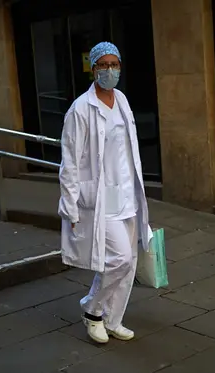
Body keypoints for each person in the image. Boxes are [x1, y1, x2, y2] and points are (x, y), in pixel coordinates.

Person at [58, 42, 153, 344]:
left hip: (127, 193)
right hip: (101, 198)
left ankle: (113, 319)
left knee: (131, 261)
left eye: (115, 65)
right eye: (104, 65)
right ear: (93, 68)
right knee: (120, 259)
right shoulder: (80, 109)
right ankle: (92, 307)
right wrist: (70, 207)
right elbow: (70, 162)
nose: (110, 70)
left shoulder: (122, 100)